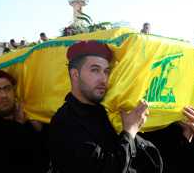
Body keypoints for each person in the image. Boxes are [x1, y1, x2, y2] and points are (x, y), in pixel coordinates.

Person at [49, 40, 162, 173]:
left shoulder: (110, 111)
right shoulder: (64, 122)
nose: (103, 78)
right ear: (75, 74)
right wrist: (129, 132)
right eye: (95, 70)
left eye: (106, 71)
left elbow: (155, 165)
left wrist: (134, 136)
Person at [0, 69, 50, 173]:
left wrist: (37, 125)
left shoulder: (30, 118)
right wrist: (18, 124)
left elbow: (55, 149)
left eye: (7, 88)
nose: (4, 95)